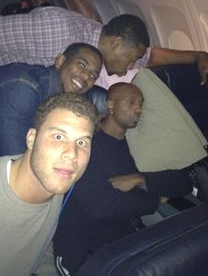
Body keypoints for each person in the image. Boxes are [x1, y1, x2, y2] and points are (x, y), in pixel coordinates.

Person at [53, 82, 194, 275]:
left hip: (125, 237)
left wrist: (139, 179)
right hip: (82, 245)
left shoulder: (135, 143)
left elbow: (183, 182)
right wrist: (155, 200)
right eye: (131, 102)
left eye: (141, 104)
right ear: (110, 105)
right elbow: (101, 207)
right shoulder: (89, 145)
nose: (138, 109)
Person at [0, 92, 98, 276]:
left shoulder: (56, 182)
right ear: (31, 139)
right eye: (59, 137)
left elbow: (40, 246)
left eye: (81, 142)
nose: (72, 154)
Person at [0, 7, 208, 94]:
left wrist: (201, 56)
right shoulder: (58, 29)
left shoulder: (102, 45)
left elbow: (153, 56)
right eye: (131, 60)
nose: (132, 66)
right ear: (116, 43)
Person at [0, 42, 103, 161]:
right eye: (82, 65)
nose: (86, 76)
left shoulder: (61, 98)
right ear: (60, 61)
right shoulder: (25, 87)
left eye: (93, 76)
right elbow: (15, 161)